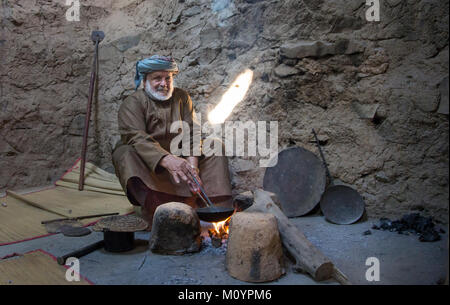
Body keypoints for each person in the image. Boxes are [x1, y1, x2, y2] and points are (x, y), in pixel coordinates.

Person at [112, 55, 233, 227]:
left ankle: (210, 209)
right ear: (145, 80)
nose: (164, 84)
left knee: (214, 145)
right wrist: (167, 160)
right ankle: (159, 212)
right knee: (124, 153)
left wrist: (192, 168)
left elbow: (191, 133)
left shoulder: (181, 97)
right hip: (151, 163)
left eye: (167, 78)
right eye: (157, 78)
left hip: (180, 157)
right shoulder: (132, 103)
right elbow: (136, 137)